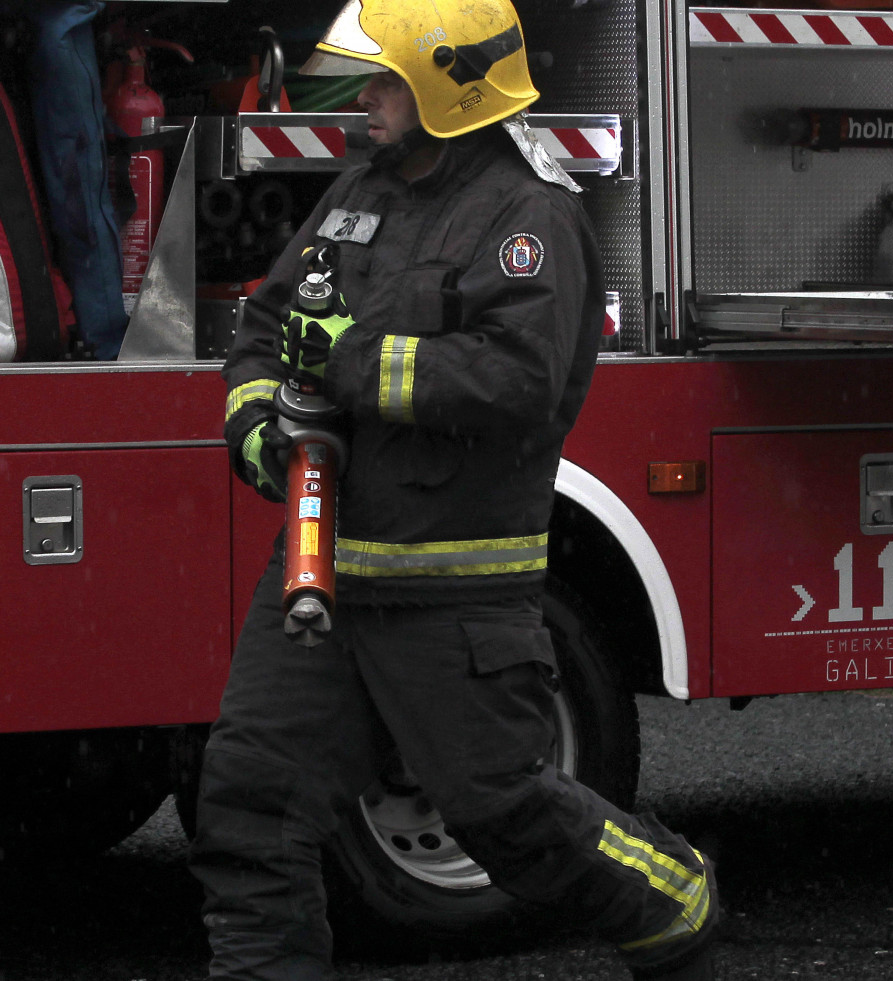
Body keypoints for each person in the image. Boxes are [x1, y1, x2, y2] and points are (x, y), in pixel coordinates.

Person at [188, 1, 718, 979]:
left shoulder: (530, 217)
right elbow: (265, 332)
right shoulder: (359, 194)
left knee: (501, 810)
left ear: (449, 90)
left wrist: (352, 364)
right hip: (324, 562)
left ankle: (665, 890)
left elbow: (515, 381)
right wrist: (261, 425)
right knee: (249, 796)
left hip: (452, 586)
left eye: (388, 79)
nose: (366, 97)